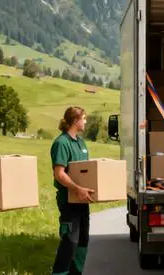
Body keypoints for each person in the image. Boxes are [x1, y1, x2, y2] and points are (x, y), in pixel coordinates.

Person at [50, 106, 96, 275]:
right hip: (69, 201)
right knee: (70, 243)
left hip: (83, 201)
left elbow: (86, 171)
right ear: (75, 120)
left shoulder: (81, 143)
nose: (85, 121)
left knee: (83, 242)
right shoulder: (61, 143)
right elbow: (59, 174)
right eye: (83, 118)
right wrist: (77, 189)